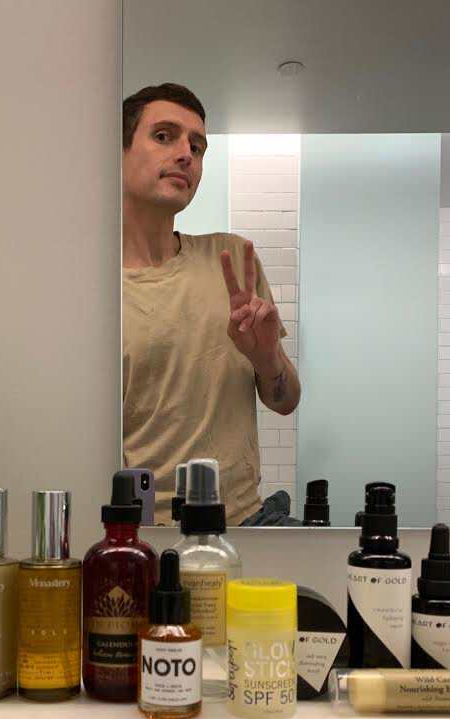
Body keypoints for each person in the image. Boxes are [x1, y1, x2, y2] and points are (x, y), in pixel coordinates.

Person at [122, 83, 301, 526]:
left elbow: (285, 401)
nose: (186, 154)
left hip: (245, 521)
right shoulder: (84, 290)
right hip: (140, 532)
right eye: (164, 136)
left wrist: (266, 359)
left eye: (197, 147)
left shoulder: (233, 260)